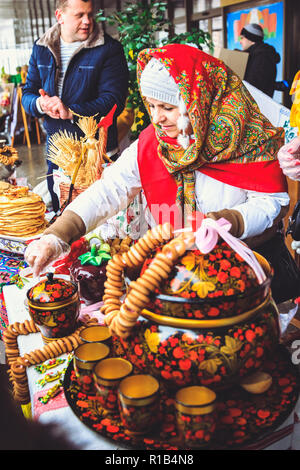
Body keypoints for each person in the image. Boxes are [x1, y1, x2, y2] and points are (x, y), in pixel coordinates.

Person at [25, 44, 300, 304]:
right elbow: (109, 190)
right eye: (152, 106)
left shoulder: (249, 141)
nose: (156, 118)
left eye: (167, 108)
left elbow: (271, 203)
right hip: (179, 274)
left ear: (198, 102)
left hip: (247, 275)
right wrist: (57, 236)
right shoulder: (151, 144)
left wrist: (225, 222)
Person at [22, 0, 129, 212]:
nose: (87, 21)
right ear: (59, 16)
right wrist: (41, 103)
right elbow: (28, 94)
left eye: (90, 14)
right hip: (58, 154)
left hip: (97, 155)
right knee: (63, 218)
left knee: (101, 223)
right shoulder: (41, 48)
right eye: (79, 15)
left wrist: (70, 111)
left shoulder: (108, 49)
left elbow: (114, 100)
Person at [240, 23, 280, 97]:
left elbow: (254, 86)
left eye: (242, 38)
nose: (240, 42)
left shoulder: (262, 57)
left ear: (251, 39)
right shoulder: (255, 55)